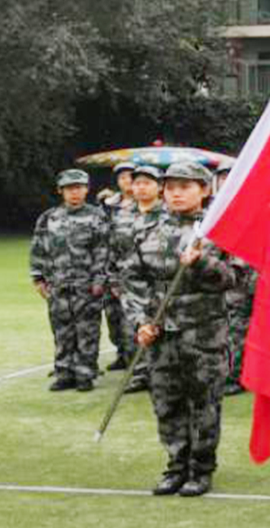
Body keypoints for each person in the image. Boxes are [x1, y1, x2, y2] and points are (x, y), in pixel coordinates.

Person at [124, 162, 238, 497]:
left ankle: (201, 469)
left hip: (203, 334)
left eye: (185, 187)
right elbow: (132, 280)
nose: (176, 193)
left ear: (203, 190)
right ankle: (176, 466)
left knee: (203, 403)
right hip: (161, 334)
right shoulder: (147, 230)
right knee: (167, 403)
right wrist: (141, 321)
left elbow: (235, 279)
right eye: (171, 187)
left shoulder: (219, 230)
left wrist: (202, 262)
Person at [30, 169, 111, 392]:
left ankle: (85, 374)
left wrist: (100, 279)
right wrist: (38, 277)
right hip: (58, 285)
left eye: (78, 188)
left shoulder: (97, 216)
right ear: (60, 191)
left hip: (87, 285)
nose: (74, 192)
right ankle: (64, 373)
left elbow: (103, 250)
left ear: (86, 189)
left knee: (87, 331)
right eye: (69, 189)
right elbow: (38, 248)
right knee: (61, 331)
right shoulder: (49, 218)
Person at [109, 162, 167, 394]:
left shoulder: (168, 215)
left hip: (159, 284)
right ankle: (139, 374)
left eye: (147, 183)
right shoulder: (122, 216)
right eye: (137, 183)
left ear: (159, 187)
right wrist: (113, 279)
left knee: (160, 328)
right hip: (129, 285)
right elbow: (113, 249)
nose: (141, 187)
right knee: (131, 329)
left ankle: (161, 375)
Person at [99, 162, 138, 371]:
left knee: (131, 318)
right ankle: (122, 354)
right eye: (122, 177)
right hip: (110, 266)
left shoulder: (145, 203)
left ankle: (137, 362)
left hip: (133, 268)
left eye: (131, 177)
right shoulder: (108, 204)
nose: (127, 181)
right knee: (113, 316)